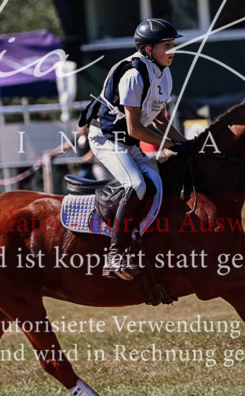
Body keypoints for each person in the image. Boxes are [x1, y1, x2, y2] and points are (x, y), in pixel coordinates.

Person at [78, 18, 190, 280]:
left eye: (173, 44)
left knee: (157, 183)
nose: (172, 51)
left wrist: (185, 142)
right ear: (148, 49)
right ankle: (115, 255)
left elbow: (161, 119)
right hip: (106, 138)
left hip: (127, 142)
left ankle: (143, 242)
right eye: (167, 45)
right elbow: (134, 129)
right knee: (136, 185)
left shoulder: (165, 73)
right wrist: (172, 144)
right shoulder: (133, 75)